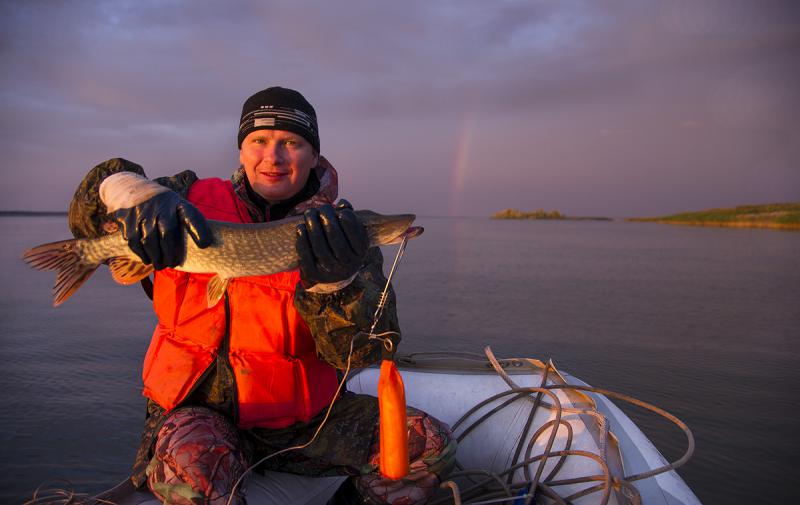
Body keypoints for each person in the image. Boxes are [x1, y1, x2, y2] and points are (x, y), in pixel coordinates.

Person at [67, 87, 455, 505]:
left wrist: (334, 283)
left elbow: (364, 353)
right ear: (241, 150)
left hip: (308, 424)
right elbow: (87, 212)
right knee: (190, 469)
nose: (274, 156)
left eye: (292, 142)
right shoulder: (179, 198)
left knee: (429, 445)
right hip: (202, 413)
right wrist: (130, 192)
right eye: (259, 141)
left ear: (313, 156)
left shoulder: (341, 236)